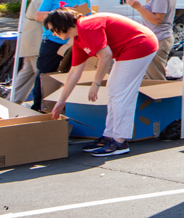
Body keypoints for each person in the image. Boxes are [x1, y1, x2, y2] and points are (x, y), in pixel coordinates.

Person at [47, 9, 158, 157]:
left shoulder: (86, 27)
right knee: (114, 90)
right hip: (132, 47)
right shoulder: (79, 39)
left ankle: (119, 141)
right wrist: (61, 101)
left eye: (53, 30)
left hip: (140, 44)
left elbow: (105, 56)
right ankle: (110, 135)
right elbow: (74, 72)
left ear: (61, 25)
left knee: (119, 92)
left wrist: (96, 84)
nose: (53, 34)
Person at [32, 0, 91, 112]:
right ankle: (38, 108)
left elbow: (86, 22)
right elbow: (38, 16)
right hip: (52, 42)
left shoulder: (84, 0)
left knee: (72, 75)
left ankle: (65, 108)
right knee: (45, 74)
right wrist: (62, 14)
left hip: (74, 44)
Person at [12, 0, 60, 104]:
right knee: (40, 74)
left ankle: (12, 101)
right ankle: (43, 104)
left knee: (27, 74)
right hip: (35, 39)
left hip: (31, 38)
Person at [124, 0, 176, 80]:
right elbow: (150, 8)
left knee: (156, 78)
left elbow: (157, 19)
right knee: (150, 75)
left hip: (159, 38)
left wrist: (138, 7)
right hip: (161, 38)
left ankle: (162, 98)